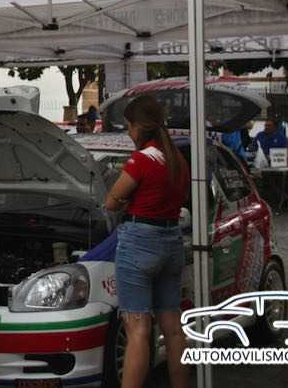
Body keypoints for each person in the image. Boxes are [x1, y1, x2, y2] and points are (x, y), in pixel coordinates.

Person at [103, 95, 189, 388]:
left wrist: (125, 201)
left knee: (137, 330)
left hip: (139, 242)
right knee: (173, 328)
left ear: (139, 126)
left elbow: (111, 201)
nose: (129, 132)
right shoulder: (177, 160)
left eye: (129, 126)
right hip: (172, 240)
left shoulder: (141, 159)